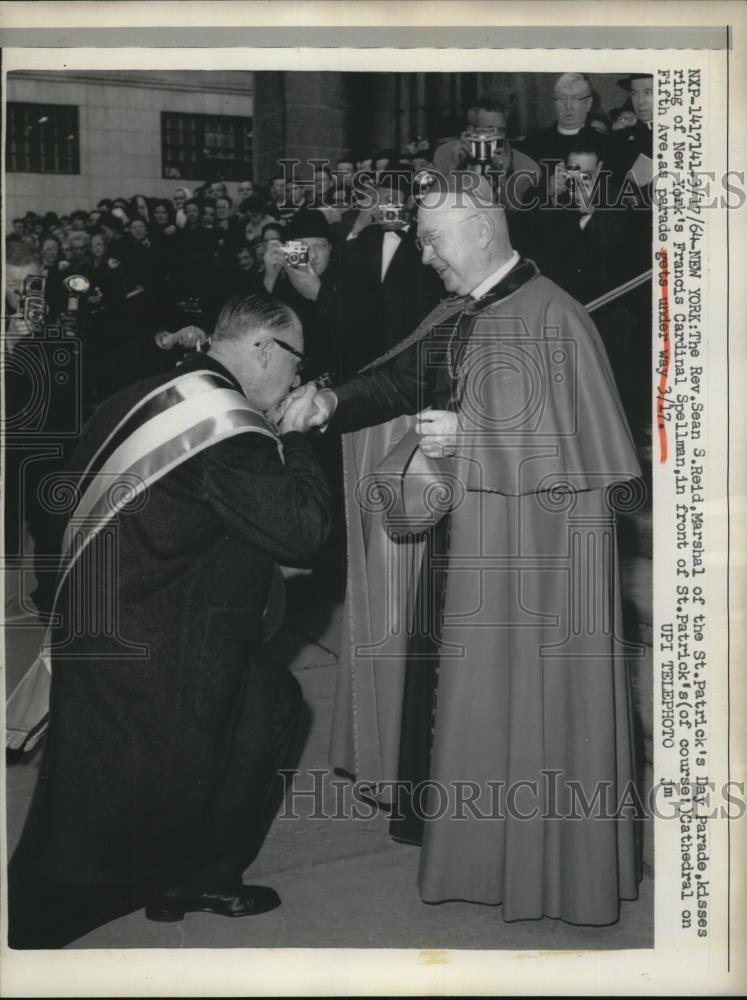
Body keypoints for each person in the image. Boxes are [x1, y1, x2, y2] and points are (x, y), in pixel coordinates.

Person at [289, 172, 643, 925]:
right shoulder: (458, 311)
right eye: (418, 239)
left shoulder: (555, 317)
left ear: (482, 228)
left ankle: (534, 867)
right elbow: (398, 381)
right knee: (454, 695)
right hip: (463, 541)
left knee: (512, 704)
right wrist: (330, 403)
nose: (424, 256)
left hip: (534, 567)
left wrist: (471, 439)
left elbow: (585, 458)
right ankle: (459, 839)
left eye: (433, 239)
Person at [7, 294, 331, 948]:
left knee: (269, 705)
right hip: (161, 644)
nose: (298, 378)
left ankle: (199, 876)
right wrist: (296, 440)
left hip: (122, 615)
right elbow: (303, 533)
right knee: (86, 836)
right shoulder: (226, 431)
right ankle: (32, 929)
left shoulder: (152, 392)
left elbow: (63, 490)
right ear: (264, 348)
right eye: (297, 362)